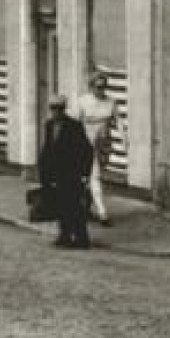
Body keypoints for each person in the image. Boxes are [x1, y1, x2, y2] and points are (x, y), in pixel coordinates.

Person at [39, 97, 94, 249]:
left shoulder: (74, 126)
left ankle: (81, 238)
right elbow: (48, 149)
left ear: (64, 109)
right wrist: (44, 171)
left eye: (59, 108)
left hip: (72, 173)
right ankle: (64, 236)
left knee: (75, 206)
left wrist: (85, 173)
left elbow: (86, 150)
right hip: (56, 173)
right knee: (61, 206)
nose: (56, 112)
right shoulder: (49, 125)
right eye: (53, 108)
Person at [70, 73, 116, 225]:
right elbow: (74, 124)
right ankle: (103, 213)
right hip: (86, 144)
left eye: (104, 86)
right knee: (94, 176)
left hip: (104, 143)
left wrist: (125, 140)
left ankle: (84, 208)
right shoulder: (83, 102)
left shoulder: (111, 102)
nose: (101, 90)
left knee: (94, 177)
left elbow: (118, 121)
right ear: (91, 87)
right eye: (98, 87)